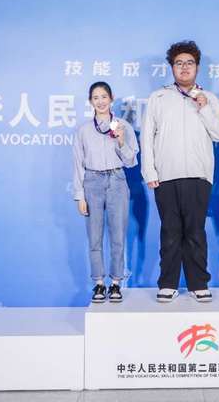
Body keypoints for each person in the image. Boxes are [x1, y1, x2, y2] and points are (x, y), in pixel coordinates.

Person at [141, 40, 219, 303]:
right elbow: (147, 137)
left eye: (189, 63)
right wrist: (150, 172)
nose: (184, 67)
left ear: (197, 67)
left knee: (195, 232)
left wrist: (204, 108)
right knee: (170, 232)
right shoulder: (158, 97)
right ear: (171, 67)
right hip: (165, 176)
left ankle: (198, 283)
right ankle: (167, 283)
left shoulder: (209, 99)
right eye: (178, 63)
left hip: (198, 176)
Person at [73, 81, 138, 303]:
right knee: (94, 237)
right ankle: (99, 283)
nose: (100, 101)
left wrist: (121, 140)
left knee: (118, 235)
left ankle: (116, 282)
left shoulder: (124, 127)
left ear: (111, 99)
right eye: (96, 98)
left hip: (117, 180)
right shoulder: (83, 130)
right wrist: (80, 195)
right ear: (90, 101)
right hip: (92, 181)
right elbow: (78, 164)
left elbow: (131, 161)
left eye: (104, 97)